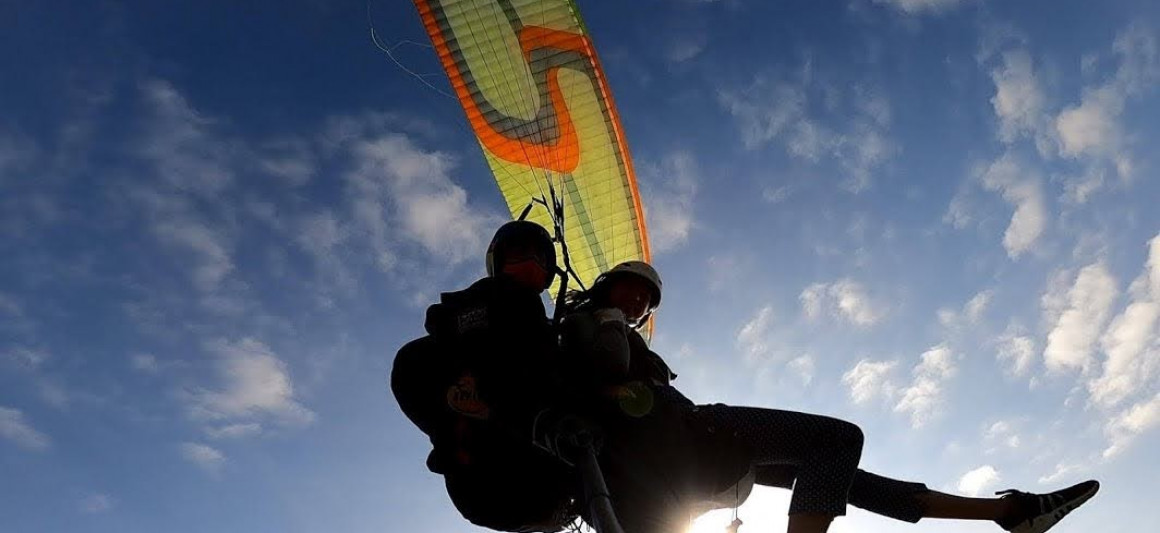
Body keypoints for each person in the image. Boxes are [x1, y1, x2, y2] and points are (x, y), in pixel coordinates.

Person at [559, 260, 1100, 533]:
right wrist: (605, 319)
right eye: (629, 290)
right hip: (697, 439)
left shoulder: (616, 333)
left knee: (839, 473)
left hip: (698, 452)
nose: (637, 302)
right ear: (607, 286)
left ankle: (1009, 513)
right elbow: (601, 373)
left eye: (645, 299)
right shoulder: (589, 327)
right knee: (839, 438)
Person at [391, 220, 578, 532]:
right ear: (499, 258)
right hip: (484, 467)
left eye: (540, 256)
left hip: (536, 476)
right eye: (520, 251)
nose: (532, 259)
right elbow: (423, 354)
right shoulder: (482, 303)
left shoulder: (547, 331)